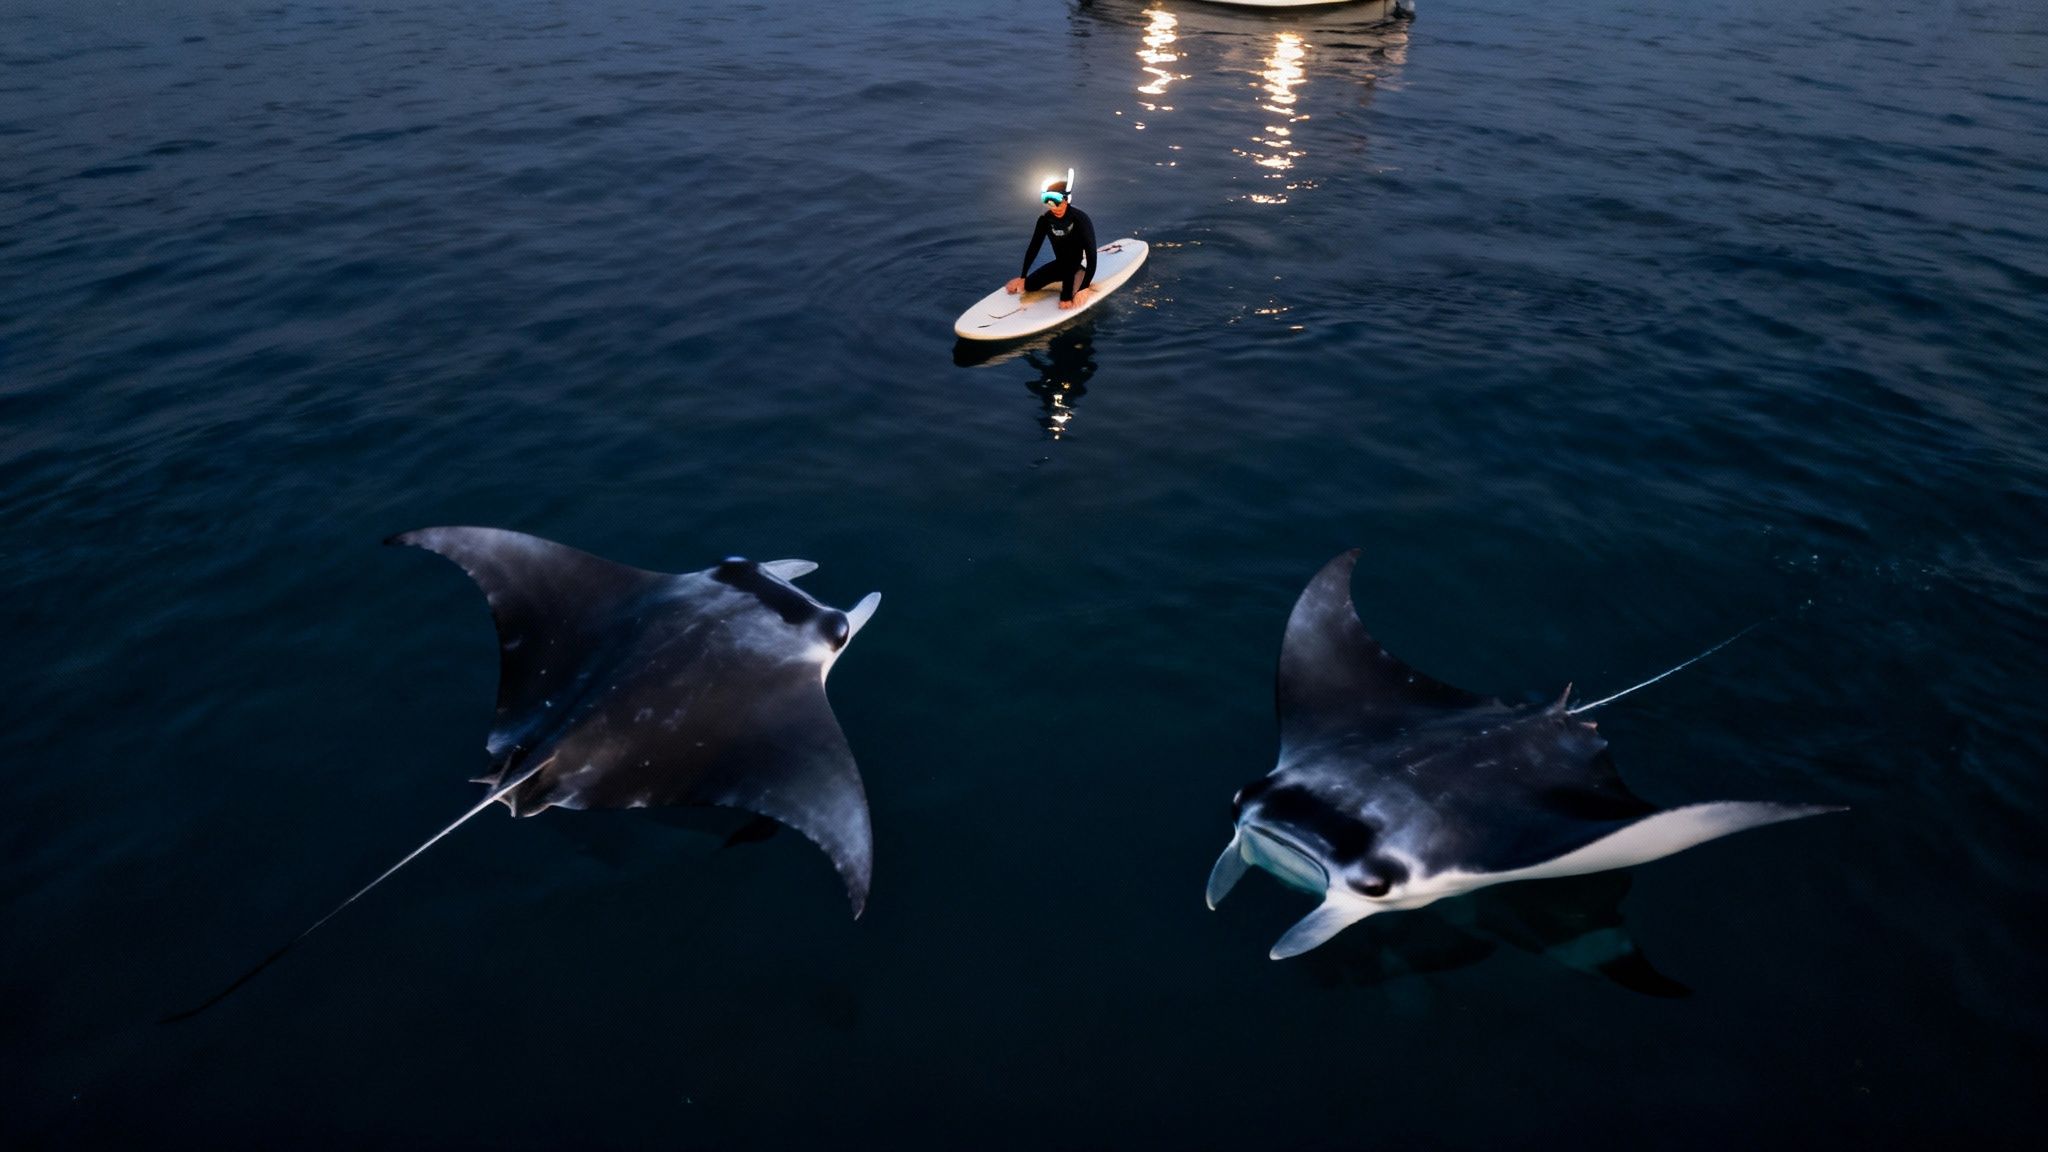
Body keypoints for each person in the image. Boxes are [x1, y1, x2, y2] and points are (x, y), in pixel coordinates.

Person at [1006, 171, 1098, 311]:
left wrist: (1084, 288)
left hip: (1074, 265)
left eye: (1058, 203)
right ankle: (1064, 283)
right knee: (1030, 286)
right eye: (1050, 204)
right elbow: (1034, 247)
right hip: (1060, 265)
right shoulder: (1045, 220)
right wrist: (1023, 276)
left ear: (1067, 199)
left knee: (1068, 301)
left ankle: (1080, 274)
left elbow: (1092, 256)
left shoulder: (1080, 220)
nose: (1055, 209)